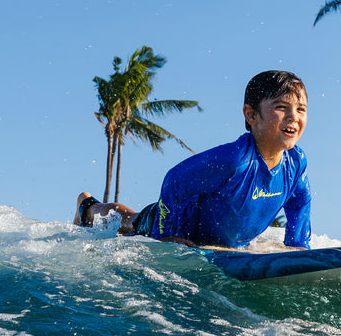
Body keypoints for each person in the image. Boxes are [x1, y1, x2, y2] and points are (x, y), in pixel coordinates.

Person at [75, 70, 312, 250]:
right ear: (251, 115)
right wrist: (167, 236)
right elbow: (174, 181)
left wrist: (298, 246)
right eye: (282, 107)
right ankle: (87, 207)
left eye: (301, 109)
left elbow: (300, 201)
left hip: (221, 243)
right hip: (181, 224)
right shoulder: (234, 160)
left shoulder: (295, 162)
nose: (294, 117)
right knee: (131, 221)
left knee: (133, 218)